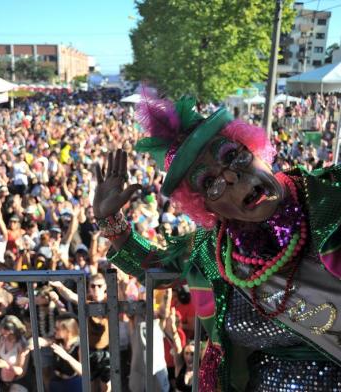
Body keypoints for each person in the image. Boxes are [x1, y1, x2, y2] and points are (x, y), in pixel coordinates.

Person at [93, 90, 341, 391]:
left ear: (255, 149)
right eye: (209, 182)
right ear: (205, 207)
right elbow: (156, 267)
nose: (233, 178)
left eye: (232, 155)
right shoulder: (214, 250)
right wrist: (112, 224)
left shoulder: (330, 197)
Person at [49, 312, 82, 392]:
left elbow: (83, 371)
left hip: (73, 384)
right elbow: (44, 341)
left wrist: (66, 356)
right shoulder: (58, 341)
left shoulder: (80, 345)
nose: (54, 330)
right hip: (56, 382)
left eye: (57, 328)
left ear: (68, 330)